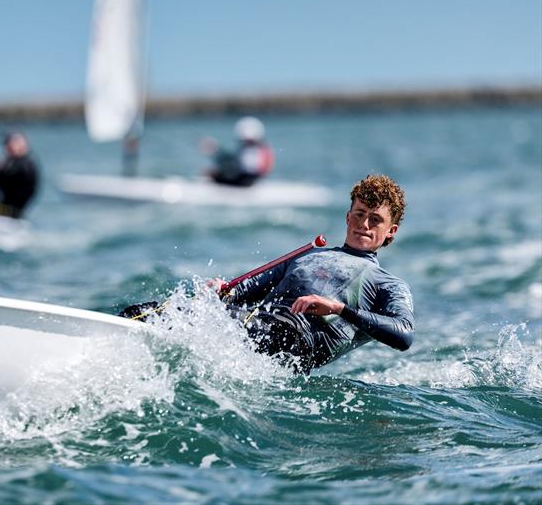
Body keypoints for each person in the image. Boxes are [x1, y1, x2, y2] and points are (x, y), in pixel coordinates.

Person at [122, 175, 414, 374]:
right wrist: (222, 290)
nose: (364, 224)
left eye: (375, 220)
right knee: (148, 313)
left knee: (240, 326)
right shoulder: (310, 254)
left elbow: (404, 334)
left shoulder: (386, 284)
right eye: (360, 214)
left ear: (391, 232)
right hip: (257, 324)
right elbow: (245, 289)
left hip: (294, 340)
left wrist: (339, 309)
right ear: (348, 217)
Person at [203, 116, 275, 187]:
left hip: (246, 182)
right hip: (250, 179)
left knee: (211, 174)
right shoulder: (262, 147)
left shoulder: (255, 149)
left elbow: (234, 163)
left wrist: (215, 151)